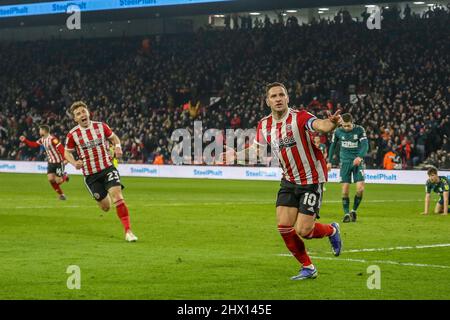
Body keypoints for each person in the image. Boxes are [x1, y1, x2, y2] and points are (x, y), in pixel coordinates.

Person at [222, 82, 342, 280]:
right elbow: (255, 153)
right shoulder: (264, 125)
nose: (278, 99)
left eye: (281, 95)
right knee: (284, 226)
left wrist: (332, 123)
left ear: (287, 98)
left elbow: (320, 125)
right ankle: (308, 267)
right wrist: (235, 155)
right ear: (267, 101)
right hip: (288, 179)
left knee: (304, 230)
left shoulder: (300, 117)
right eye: (273, 96)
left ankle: (331, 230)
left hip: (311, 179)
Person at [64, 101, 138, 242]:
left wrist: (117, 146)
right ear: (75, 119)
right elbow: (67, 152)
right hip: (91, 175)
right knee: (106, 207)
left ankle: (128, 231)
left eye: (83, 111)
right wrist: (74, 163)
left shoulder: (101, 126)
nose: (82, 114)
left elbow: (114, 138)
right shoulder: (72, 134)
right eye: (78, 114)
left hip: (107, 168)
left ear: (88, 112)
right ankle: (103, 195)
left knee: (118, 197)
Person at [327, 113, 368, 223]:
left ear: (352, 122)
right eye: (344, 126)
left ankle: (353, 211)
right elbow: (332, 146)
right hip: (344, 163)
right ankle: (346, 214)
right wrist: (329, 161)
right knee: (345, 191)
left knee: (360, 189)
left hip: (357, 162)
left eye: (348, 126)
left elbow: (365, 145)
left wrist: (360, 156)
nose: (346, 128)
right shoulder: (338, 131)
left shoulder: (360, 130)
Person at [19, 125, 69, 200]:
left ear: (44, 131)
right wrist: (25, 140)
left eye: (40, 130)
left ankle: (65, 176)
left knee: (58, 181)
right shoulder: (42, 140)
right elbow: (34, 145)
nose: (39, 132)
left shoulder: (53, 139)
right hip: (51, 163)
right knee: (50, 179)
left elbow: (61, 148)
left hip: (59, 163)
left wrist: (65, 159)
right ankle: (61, 195)